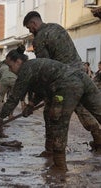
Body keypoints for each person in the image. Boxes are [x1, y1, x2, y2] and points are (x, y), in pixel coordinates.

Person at [0, 47, 101, 172]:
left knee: (58, 122)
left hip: (66, 86)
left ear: (18, 61)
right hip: (82, 78)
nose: (10, 70)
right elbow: (43, 89)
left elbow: (14, 98)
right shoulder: (36, 65)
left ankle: (59, 164)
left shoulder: (25, 70)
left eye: (10, 66)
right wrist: (31, 105)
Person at [23, 11, 101, 155]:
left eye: (29, 28)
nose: (30, 31)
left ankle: (51, 149)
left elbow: (44, 69)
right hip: (81, 75)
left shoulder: (39, 39)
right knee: (83, 109)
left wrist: (33, 101)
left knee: (50, 113)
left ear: (34, 23)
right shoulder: (57, 27)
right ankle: (98, 140)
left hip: (63, 81)